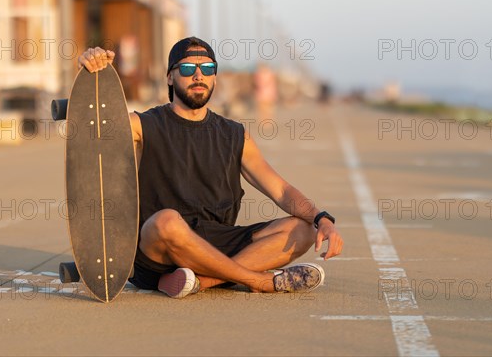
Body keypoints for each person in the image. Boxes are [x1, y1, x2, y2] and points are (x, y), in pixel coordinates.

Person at [77, 37, 343, 298]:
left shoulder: (234, 134)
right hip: (159, 249)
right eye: (187, 69)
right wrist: (94, 76)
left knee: (301, 230)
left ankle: (202, 281)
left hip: (217, 242)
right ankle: (258, 280)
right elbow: (95, 126)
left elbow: (282, 191)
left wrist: (322, 219)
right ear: (170, 77)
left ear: (215, 77)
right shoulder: (143, 125)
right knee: (166, 221)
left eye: (207, 69)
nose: (198, 76)